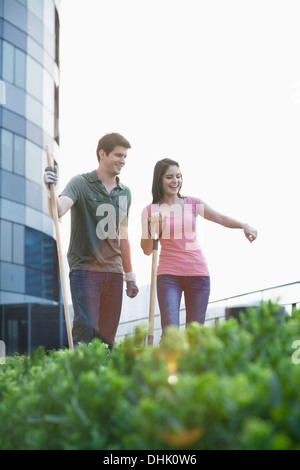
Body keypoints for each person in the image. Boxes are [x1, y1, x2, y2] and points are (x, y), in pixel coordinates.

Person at [141, 158, 257, 336]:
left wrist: (243, 225)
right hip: (168, 276)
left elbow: (221, 218)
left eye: (178, 176)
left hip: (198, 275)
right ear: (159, 180)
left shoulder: (192, 203)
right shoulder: (150, 211)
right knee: (171, 333)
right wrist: (153, 229)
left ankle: (192, 365)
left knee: (195, 336)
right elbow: (147, 249)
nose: (175, 181)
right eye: (169, 177)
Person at [44, 132, 139, 349]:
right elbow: (58, 210)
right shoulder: (80, 183)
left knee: (107, 337)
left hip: (114, 273)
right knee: (85, 329)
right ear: (102, 154)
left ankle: (101, 379)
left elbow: (122, 236)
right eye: (118, 155)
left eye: (125, 157)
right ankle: (79, 378)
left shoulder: (125, 193)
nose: (122, 161)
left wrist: (130, 275)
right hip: (85, 270)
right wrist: (51, 191)